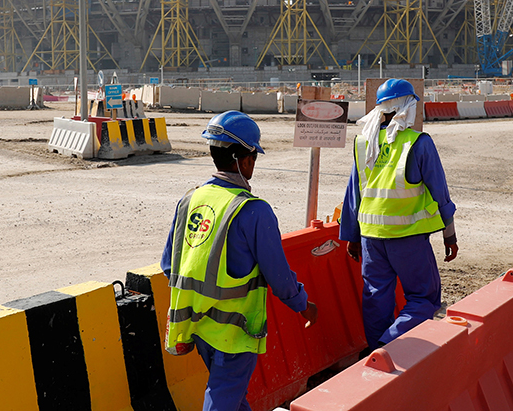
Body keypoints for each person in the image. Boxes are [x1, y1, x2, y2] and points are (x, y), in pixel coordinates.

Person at [161, 110, 317, 411]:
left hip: (198, 325)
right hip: (234, 330)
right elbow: (280, 277)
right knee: (223, 397)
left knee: (231, 395)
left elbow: (170, 265)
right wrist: (304, 305)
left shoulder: (190, 200)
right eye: (253, 157)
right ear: (243, 160)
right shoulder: (254, 212)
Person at [338, 79, 457, 351]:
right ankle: (387, 345)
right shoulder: (418, 143)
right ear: (407, 106)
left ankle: (374, 357)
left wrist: (352, 237)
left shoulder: (363, 141)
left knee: (376, 299)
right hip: (408, 238)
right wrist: (449, 235)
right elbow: (440, 193)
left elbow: (353, 194)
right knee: (424, 298)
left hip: (370, 238)